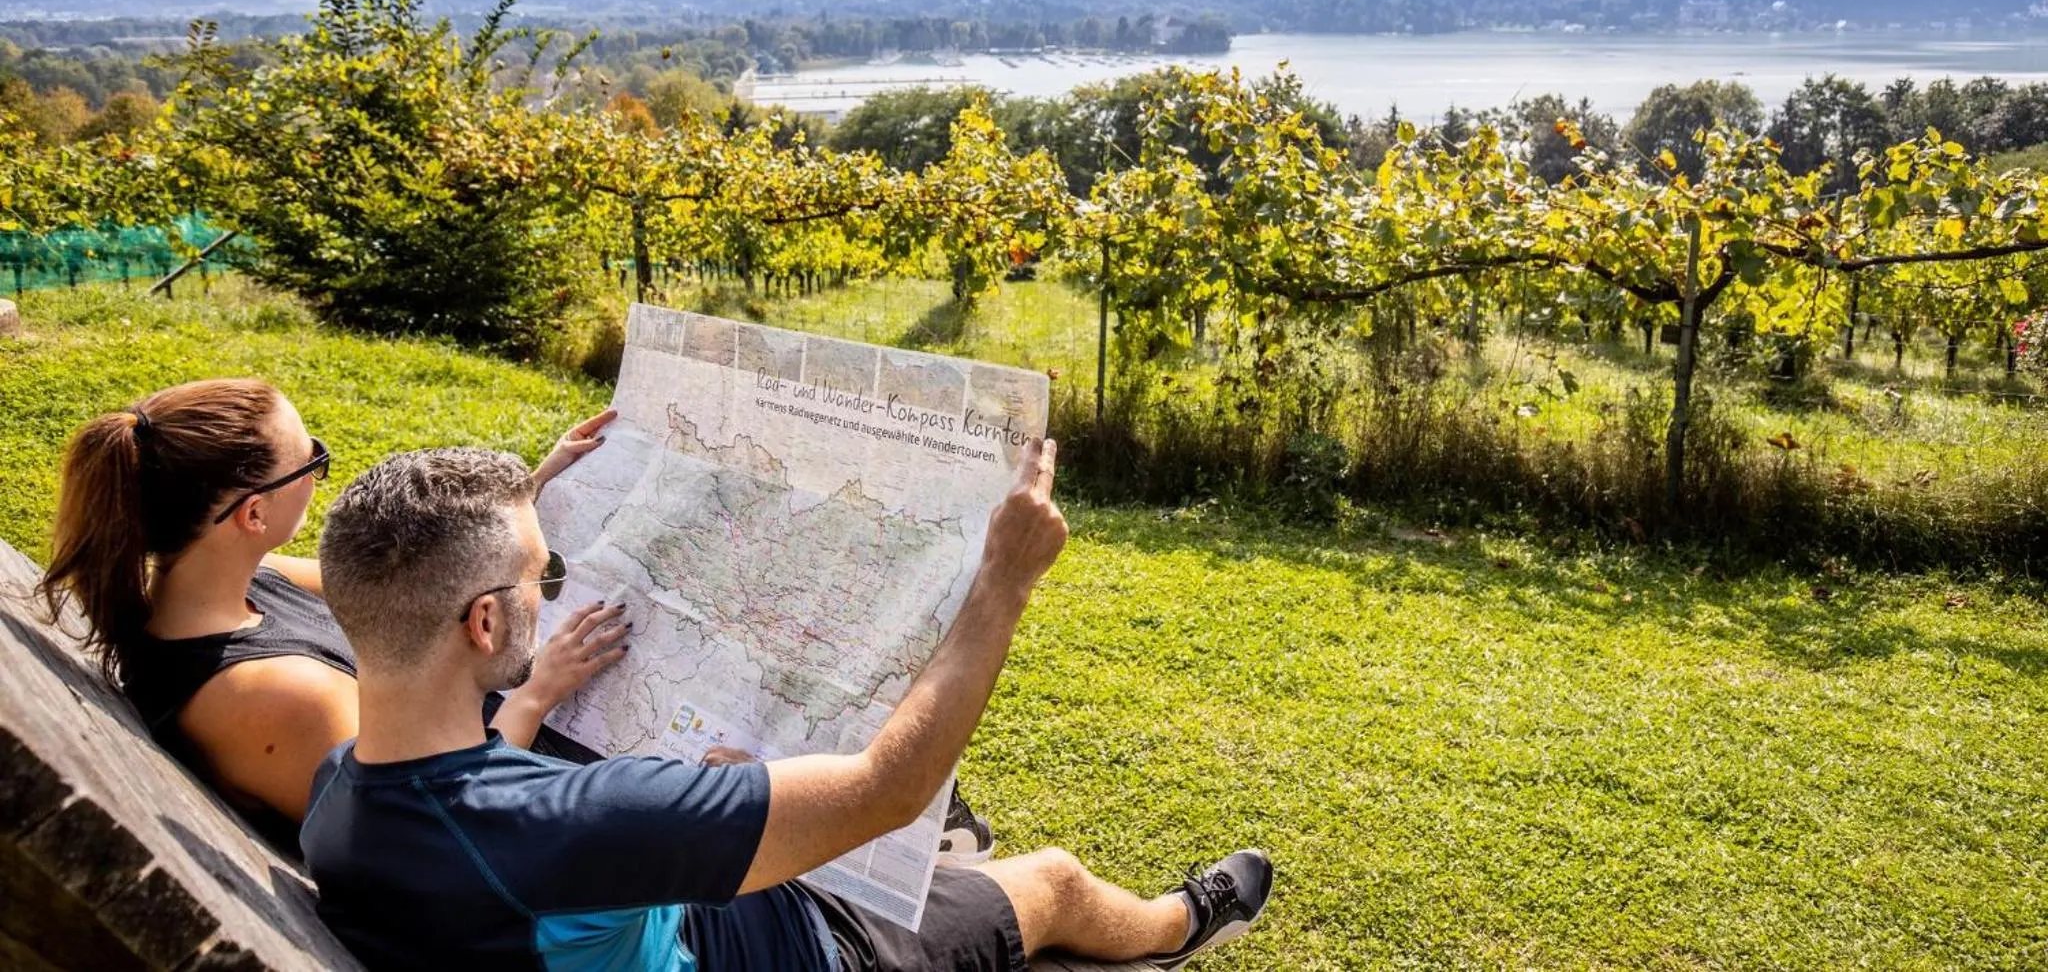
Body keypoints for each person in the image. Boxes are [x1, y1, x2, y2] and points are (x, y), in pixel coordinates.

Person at [304, 440, 1273, 972]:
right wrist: (1002, 580)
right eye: (537, 574)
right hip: (777, 949)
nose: (548, 583)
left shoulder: (340, 793)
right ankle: (1177, 928)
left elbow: (513, 830)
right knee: (1052, 881)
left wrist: (536, 696)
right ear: (481, 624)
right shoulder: (584, 825)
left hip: (640, 917)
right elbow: (887, 788)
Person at [36, 377, 628, 852]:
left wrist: (528, 491)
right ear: (254, 516)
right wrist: (537, 694)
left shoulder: (233, 586)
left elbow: (408, 583)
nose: (321, 467)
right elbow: (442, 826)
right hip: (512, 814)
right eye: (311, 460)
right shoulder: (279, 695)